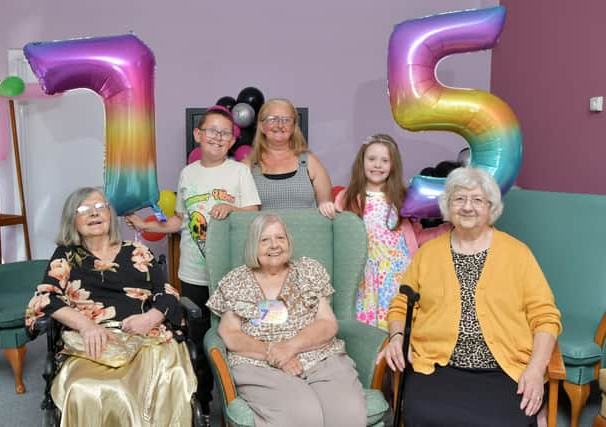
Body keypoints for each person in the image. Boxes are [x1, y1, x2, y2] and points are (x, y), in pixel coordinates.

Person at [377, 167, 561, 427]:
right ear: (448, 205)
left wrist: (535, 369)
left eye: (477, 200)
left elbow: (546, 318)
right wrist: (396, 335)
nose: (467, 207)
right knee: (424, 415)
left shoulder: (518, 254)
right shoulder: (428, 254)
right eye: (459, 199)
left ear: (491, 207)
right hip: (437, 367)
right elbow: (401, 305)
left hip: (503, 369)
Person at [126, 107, 261, 416]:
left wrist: (231, 210)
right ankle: (202, 400)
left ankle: (240, 402)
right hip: (193, 273)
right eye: (211, 131)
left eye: (225, 133)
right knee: (197, 339)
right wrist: (146, 225)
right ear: (198, 135)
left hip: (231, 273)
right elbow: (178, 221)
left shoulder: (239, 172)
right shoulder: (188, 174)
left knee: (236, 336)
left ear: (231, 141)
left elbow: (254, 212)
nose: (218, 137)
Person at [24, 187, 197, 426]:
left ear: (110, 214)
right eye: (84, 209)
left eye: (100, 207)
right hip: (93, 342)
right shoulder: (66, 255)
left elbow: (166, 292)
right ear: (72, 219)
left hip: (147, 336)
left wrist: (151, 318)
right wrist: (86, 326)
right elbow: (46, 296)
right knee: (86, 388)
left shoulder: (138, 251)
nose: (94, 213)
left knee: (165, 378)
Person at [206, 213, 367, 426]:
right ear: (254, 245)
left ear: (289, 242)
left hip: (320, 357)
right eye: (265, 240)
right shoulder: (237, 280)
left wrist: (290, 347)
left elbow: (327, 323)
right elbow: (230, 333)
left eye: (280, 238)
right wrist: (275, 353)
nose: (274, 245)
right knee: (302, 414)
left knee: (348, 412)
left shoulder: (308, 271)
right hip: (259, 364)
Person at [334, 134, 449, 331]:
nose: (377, 165)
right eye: (372, 159)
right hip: (364, 275)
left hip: (397, 273)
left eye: (384, 160)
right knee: (367, 331)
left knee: (398, 324)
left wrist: (447, 229)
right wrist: (326, 210)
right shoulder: (348, 197)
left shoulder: (403, 197)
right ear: (361, 162)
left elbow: (418, 236)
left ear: (393, 165)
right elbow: (338, 233)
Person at [242, 98, 335, 218]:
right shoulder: (247, 165)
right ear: (261, 126)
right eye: (272, 119)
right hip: (264, 236)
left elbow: (327, 208)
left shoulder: (310, 162)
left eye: (286, 120)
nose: (280, 125)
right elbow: (239, 213)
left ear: (294, 126)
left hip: (307, 235)